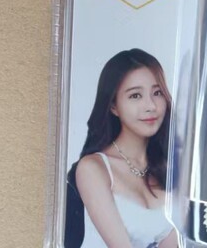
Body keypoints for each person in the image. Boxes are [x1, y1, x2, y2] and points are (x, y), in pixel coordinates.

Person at [65, 49, 177, 248]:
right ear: (113, 106)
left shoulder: (170, 168)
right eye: (135, 96)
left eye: (157, 92)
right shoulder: (94, 168)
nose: (151, 106)